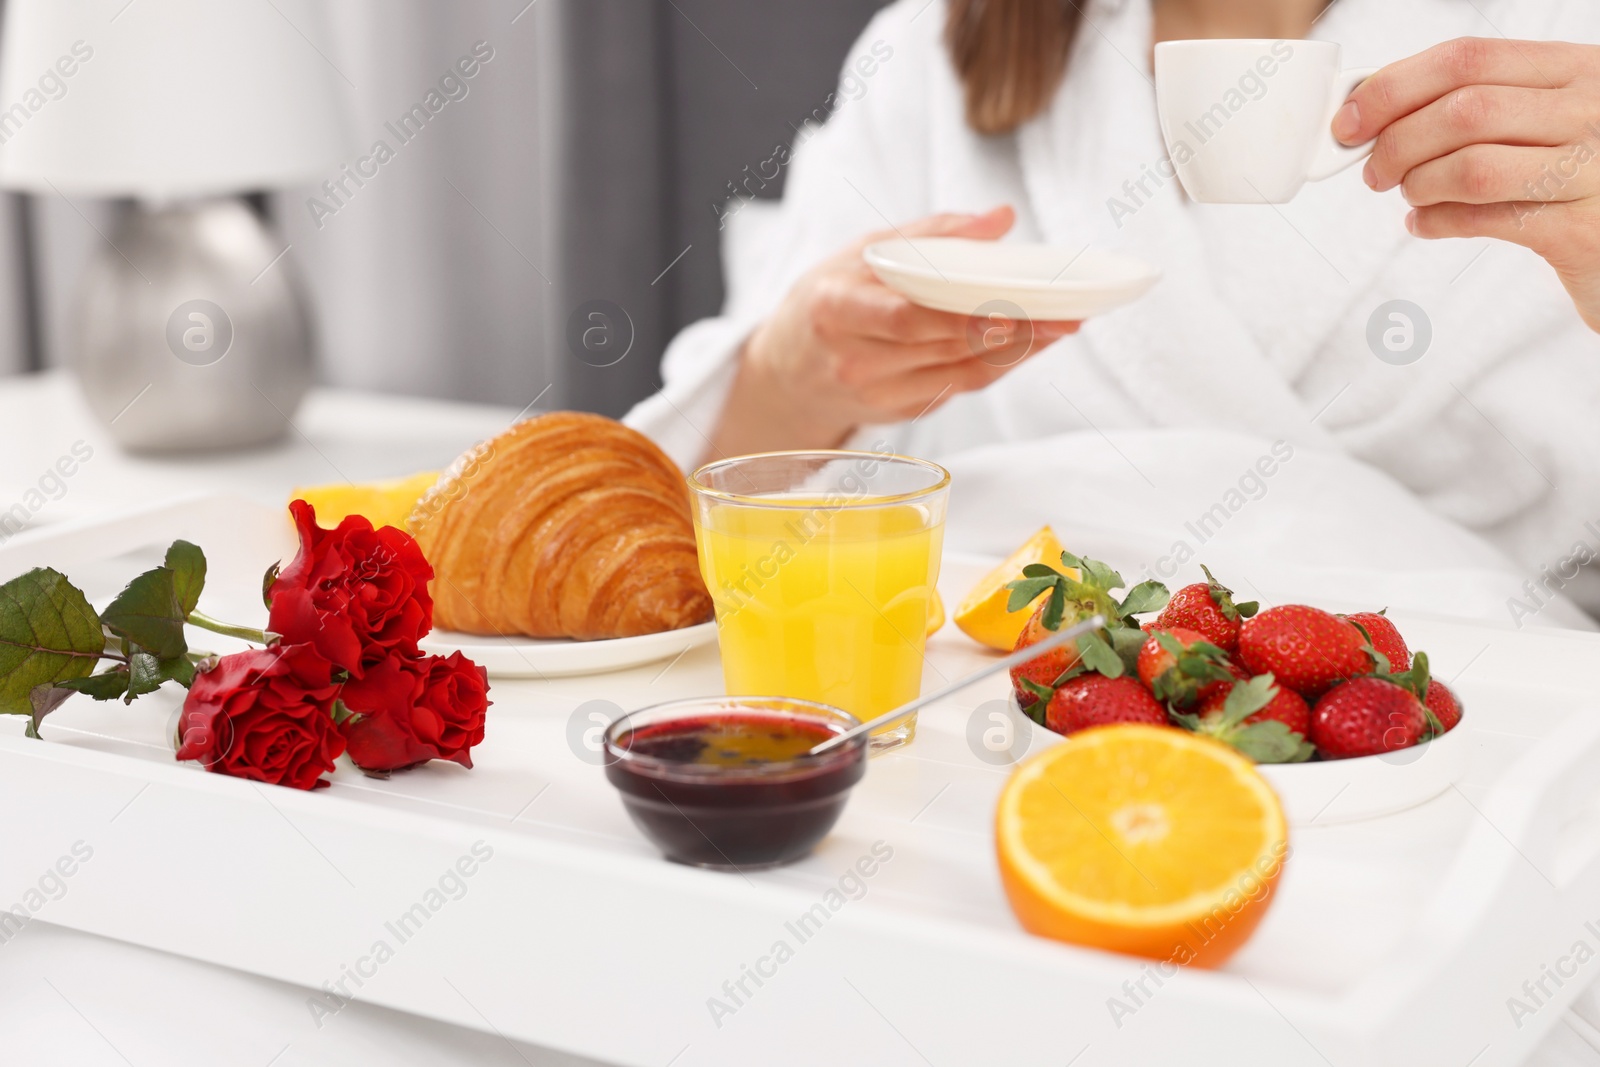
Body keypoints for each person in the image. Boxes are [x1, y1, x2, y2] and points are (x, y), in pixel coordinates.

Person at [625, 0, 1600, 617]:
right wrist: (794, 373)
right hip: (997, 690)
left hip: (1448, 715)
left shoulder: (1560, 56)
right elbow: (689, 520)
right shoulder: (930, 51)